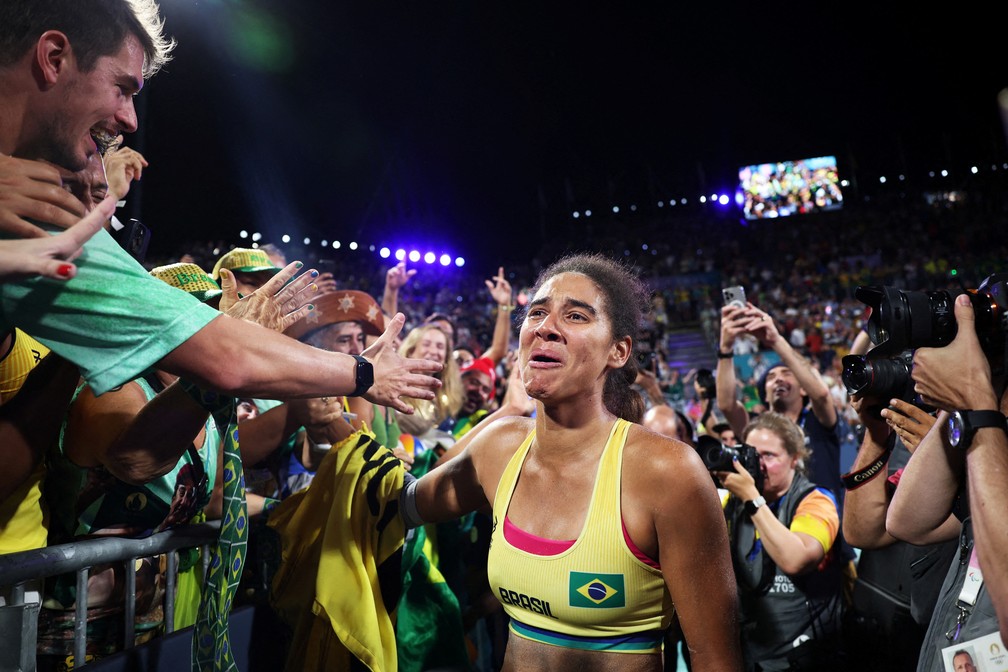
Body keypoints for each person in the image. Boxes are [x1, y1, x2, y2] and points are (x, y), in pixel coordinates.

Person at [0, 0, 442, 424]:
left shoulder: (23, 194)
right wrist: (361, 373)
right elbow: (225, 356)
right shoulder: (33, 217)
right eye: (122, 88)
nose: (130, 119)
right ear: (54, 57)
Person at [403, 252, 742, 671]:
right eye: (537, 313)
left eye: (576, 316)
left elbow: (715, 659)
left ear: (618, 351)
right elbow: (396, 505)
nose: (546, 328)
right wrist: (358, 396)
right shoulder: (499, 448)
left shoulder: (667, 472)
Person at [714, 412, 846, 671]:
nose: (758, 464)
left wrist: (752, 497)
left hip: (803, 657)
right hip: (749, 652)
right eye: (751, 454)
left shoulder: (817, 501)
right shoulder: (733, 501)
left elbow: (796, 559)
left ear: (795, 458)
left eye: (769, 456)